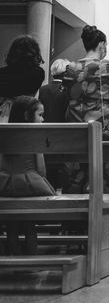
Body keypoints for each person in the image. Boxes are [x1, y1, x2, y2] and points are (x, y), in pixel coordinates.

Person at [63, 25, 109, 194]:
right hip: (102, 121)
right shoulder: (108, 66)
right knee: (106, 162)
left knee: (76, 165)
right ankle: (106, 205)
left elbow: (69, 96)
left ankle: (73, 207)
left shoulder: (71, 68)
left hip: (75, 122)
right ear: (101, 44)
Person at [0, 96, 55, 255]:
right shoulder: (34, 137)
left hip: (5, 185)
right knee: (29, 224)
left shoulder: (5, 135)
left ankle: (13, 258)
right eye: (40, 115)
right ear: (27, 116)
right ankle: (32, 258)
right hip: (30, 185)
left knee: (12, 224)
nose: (43, 119)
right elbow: (41, 169)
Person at [0, 35, 45, 122]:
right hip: (27, 113)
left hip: (3, 113)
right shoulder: (38, 73)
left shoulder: (2, 73)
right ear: (35, 52)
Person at [38, 58, 71, 123]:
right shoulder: (67, 89)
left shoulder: (42, 89)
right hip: (64, 128)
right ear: (65, 73)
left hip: (44, 127)